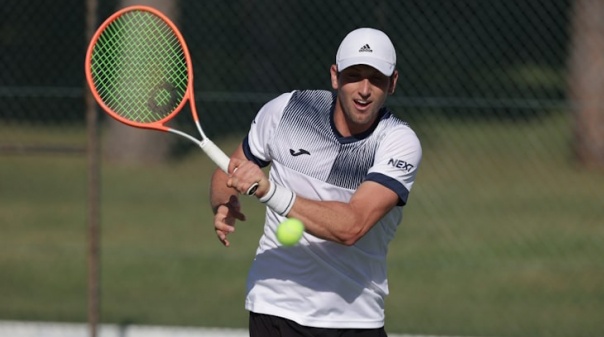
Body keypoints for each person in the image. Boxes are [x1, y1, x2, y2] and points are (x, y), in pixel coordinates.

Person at [210, 27, 422, 337]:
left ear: (392, 83)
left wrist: (269, 190)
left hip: (355, 319)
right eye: (354, 75)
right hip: (275, 308)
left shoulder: (398, 142)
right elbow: (231, 170)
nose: (364, 89)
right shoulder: (286, 111)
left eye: (376, 79)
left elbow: (352, 226)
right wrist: (224, 202)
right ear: (335, 77)